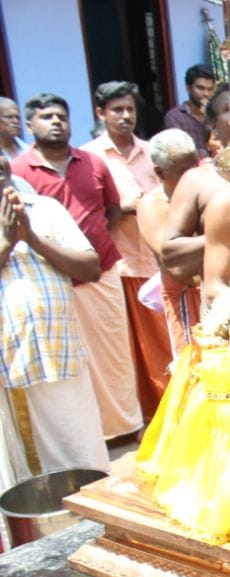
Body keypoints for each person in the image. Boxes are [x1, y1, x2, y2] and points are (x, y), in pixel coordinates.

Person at [12, 93, 142, 442]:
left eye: (61, 116)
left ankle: (127, 426)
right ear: (30, 125)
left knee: (115, 353)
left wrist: (93, 239)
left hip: (101, 271)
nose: (55, 122)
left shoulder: (92, 162)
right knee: (74, 361)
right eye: (46, 117)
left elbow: (112, 209)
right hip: (54, 280)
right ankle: (92, 434)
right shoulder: (19, 172)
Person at [0, 156, 109, 472]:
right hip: (8, 361)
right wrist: (8, 241)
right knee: (17, 469)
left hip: (57, 351)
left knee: (83, 456)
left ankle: (91, 515)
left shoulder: (45, 209)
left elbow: (90, 268)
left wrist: (32, 238)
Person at [84, 81, 171, 418]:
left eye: (130, 109)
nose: (125, 116)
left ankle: (167, 408)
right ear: (100, 113)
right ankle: (140, 414)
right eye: (117, 110)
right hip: (118, 264)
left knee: (162, 341)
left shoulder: (153, 152)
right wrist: (121, 206)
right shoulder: (89, 157)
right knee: (128, 347)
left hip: (155, 260)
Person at [161, 85, 230, 309]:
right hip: (225, 307)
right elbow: (171, 252)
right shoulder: (198, 180)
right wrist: (225, 237)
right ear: (213, 126)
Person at [137, 129, 202, 355]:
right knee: (193, 371)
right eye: (184, 170)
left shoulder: (205, 191)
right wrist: (219, 238)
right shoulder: (152, 206)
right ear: (159, 172)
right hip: (186, 294)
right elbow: (178, 267)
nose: (193, 174)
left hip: (213, 288)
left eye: (196, 165)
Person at [164, 64, 217, 159]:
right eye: (200, 88)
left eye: (210, 89)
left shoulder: (216, 115)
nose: (206, 94)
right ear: (188, 88)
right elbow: (179, 152)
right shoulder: (175, 117)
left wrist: (209, 117)